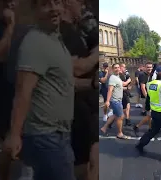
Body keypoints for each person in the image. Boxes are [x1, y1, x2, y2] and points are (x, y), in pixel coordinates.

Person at [5, 0, 76, 179]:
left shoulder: (55, 40)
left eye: (56, 2)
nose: (53, 8)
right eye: (45, 4)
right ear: (35, 11)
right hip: (45, 136)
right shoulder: (35, 42)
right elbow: (22, 92)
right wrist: (14, 135)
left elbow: (61, 82)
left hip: (58, 135)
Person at [0, 0, 34, 179]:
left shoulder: (28, 25)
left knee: (28, 142)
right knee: (10, 144)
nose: (13, 3)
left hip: (26, 91)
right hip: (4, 94)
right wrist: (11, 25)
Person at [60, 0, 98, 179]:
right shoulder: (63, 32)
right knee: (83, 164)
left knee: (90, 160)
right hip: (75, 108)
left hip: (84, 108)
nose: (82, 6)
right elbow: (75, 69)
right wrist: (98, 54)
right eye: (80, 2)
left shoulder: (75, 32)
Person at [100, 63, 130, 139]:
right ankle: (120, 133)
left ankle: (104, 128)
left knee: (115, 115)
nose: (117, 69)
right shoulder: (113, 78)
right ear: (112, 70)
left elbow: (120, 86)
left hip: (118, 100)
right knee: (120, 116)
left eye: (118, 67)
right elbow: (110, 89)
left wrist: (127, 86)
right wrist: (107, 101)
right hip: (116, 101)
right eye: (115, 68)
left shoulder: (118, 77)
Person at [133, 62, 154, 135]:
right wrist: (148, 98)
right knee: (150, 114)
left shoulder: (150, 75)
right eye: (148, 67)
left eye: (150, 67)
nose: (149, 69)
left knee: (150, 115)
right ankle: (139, 126)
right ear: (145, 67)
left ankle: (148, 128)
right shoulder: (142, 75)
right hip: (145, 97)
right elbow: (142, 87)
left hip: (148, 96)